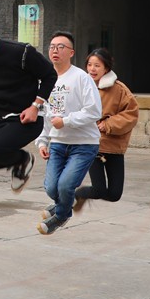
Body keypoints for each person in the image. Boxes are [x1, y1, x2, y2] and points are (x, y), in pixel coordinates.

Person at [0, 13, 58, 192]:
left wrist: (35, 106)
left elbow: (50, 75)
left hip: (26, 119)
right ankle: (16, 161)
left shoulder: (21, 52)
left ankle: (23, 160)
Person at [34, 32, 102, 235]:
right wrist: (42, 141)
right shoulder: (45, 82)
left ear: (71, 52)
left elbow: (94, 111)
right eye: (52, 46)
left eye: (61, 47)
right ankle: (65, 202)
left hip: (84, 144)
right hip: (57, 143)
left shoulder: (81, 78)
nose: (55, 50)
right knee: (51, 188)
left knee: (64, 186)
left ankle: (61, 215)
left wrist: (66, 121)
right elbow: (44, 115)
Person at [73, 48, 140, 209]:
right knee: (98, 190)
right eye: (89, 65)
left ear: (106, 68)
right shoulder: (80, 86)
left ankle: (77, 195)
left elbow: (131, 114)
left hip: (114, 146)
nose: (92, 69)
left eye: (97, 65)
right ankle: (71, 196)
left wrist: (109, 124)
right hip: (92, 144)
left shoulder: (119, 89)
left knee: (115, 194)